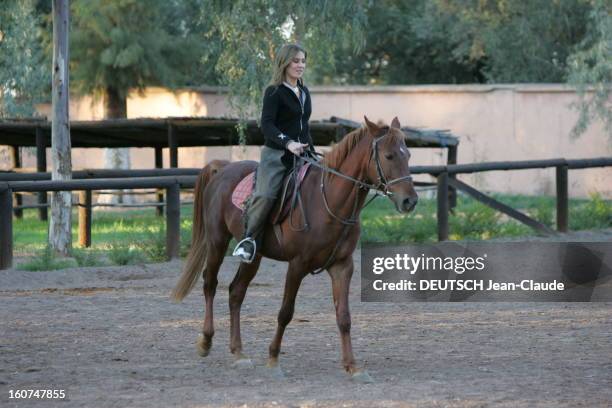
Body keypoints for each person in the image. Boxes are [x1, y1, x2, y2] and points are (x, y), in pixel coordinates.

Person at [233, 44, 314, 263]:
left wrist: (310, 150)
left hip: (303, 154)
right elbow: (267, 125)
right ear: (285, 62)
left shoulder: (304, 92)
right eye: (296, 61)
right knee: (266, 195)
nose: (300, 65)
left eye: (303, 61)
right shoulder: (274, 91)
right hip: (277, 155)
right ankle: (248, 241)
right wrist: (288, 143)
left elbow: (303, 126)